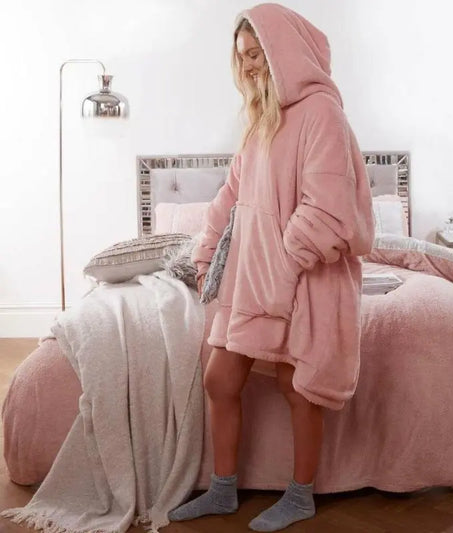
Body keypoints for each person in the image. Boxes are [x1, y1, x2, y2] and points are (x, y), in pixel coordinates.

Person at [169, 3, 375, 531]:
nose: (250, 65)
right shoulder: (260, 120)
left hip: (303, 280)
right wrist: (205, 253)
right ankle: (222, 490)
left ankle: (300, 496)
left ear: (284, 50)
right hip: (251, 278)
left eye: (258, 53)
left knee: (296, 385)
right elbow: (231, 197)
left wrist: (285, 263)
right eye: (243, 57)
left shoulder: (322, 114)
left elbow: (327, 209)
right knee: (220, 378)